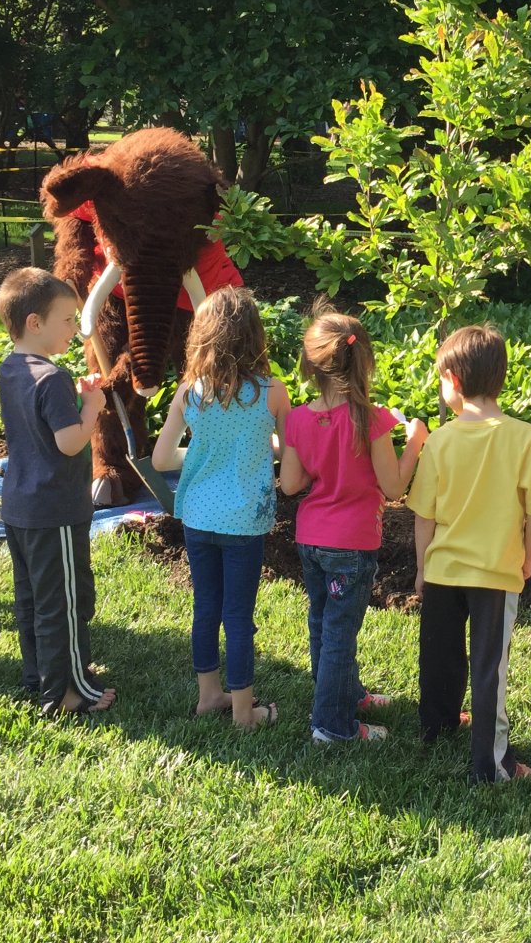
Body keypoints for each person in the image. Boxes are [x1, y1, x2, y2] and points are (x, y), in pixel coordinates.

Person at [408, 325, 531, 783]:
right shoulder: (524, 437)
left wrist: (421, 568)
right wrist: (528, 558)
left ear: (452, 378)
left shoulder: (439, 440)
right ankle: (492, 765)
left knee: (438, 655)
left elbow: (423, 517)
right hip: (496, 575)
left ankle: (437, 726)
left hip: (442, 572)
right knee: (489, 668)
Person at [279, 309, 428, 744]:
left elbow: (290, 484)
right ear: (364, 362)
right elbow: (395, 486)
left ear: (309, 364)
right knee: (341, 631)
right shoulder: (371, 418)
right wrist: (415, 443)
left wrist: (319, 463)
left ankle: (349, 692)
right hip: (352, 546)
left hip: (310, 540)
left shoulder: (299, 419)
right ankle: (332, 725)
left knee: (323, 621)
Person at [152, 286, 291, 731]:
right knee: (239, 616)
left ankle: (209, 697)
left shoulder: (190, 392)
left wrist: (199, 453)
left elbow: (160, 460)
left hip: (196, 515)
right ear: (255, 336)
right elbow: (288, 456)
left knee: (206, 608)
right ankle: (243, 713)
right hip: (244, 521)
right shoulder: (272, 391)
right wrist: (258, 445)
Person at [0, 267, 114, 716]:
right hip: (55, 511)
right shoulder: (53, 378)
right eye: (67, 320)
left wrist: (75, 402)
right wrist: (92, 407)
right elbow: (69, 442)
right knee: (63, 602)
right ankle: (69, 691)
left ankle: (40, 675)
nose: (74, 329)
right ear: (35, 323)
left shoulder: (12, 368)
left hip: (20, 506)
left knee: (32, 599)